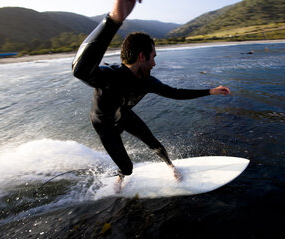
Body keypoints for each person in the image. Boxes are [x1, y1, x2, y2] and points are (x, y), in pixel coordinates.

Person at [72, 0, 231, 191]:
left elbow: (175, 93)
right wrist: (113, 20)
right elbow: (79, 70)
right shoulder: (110, 76)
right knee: (127, 168)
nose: (154, 63)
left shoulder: (148, 82)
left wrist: (210, 91)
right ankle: (120, 179)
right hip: (104, 123)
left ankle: (171, 166)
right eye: (153, 56)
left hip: (122, 114)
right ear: (142, 57)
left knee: (154, 143)